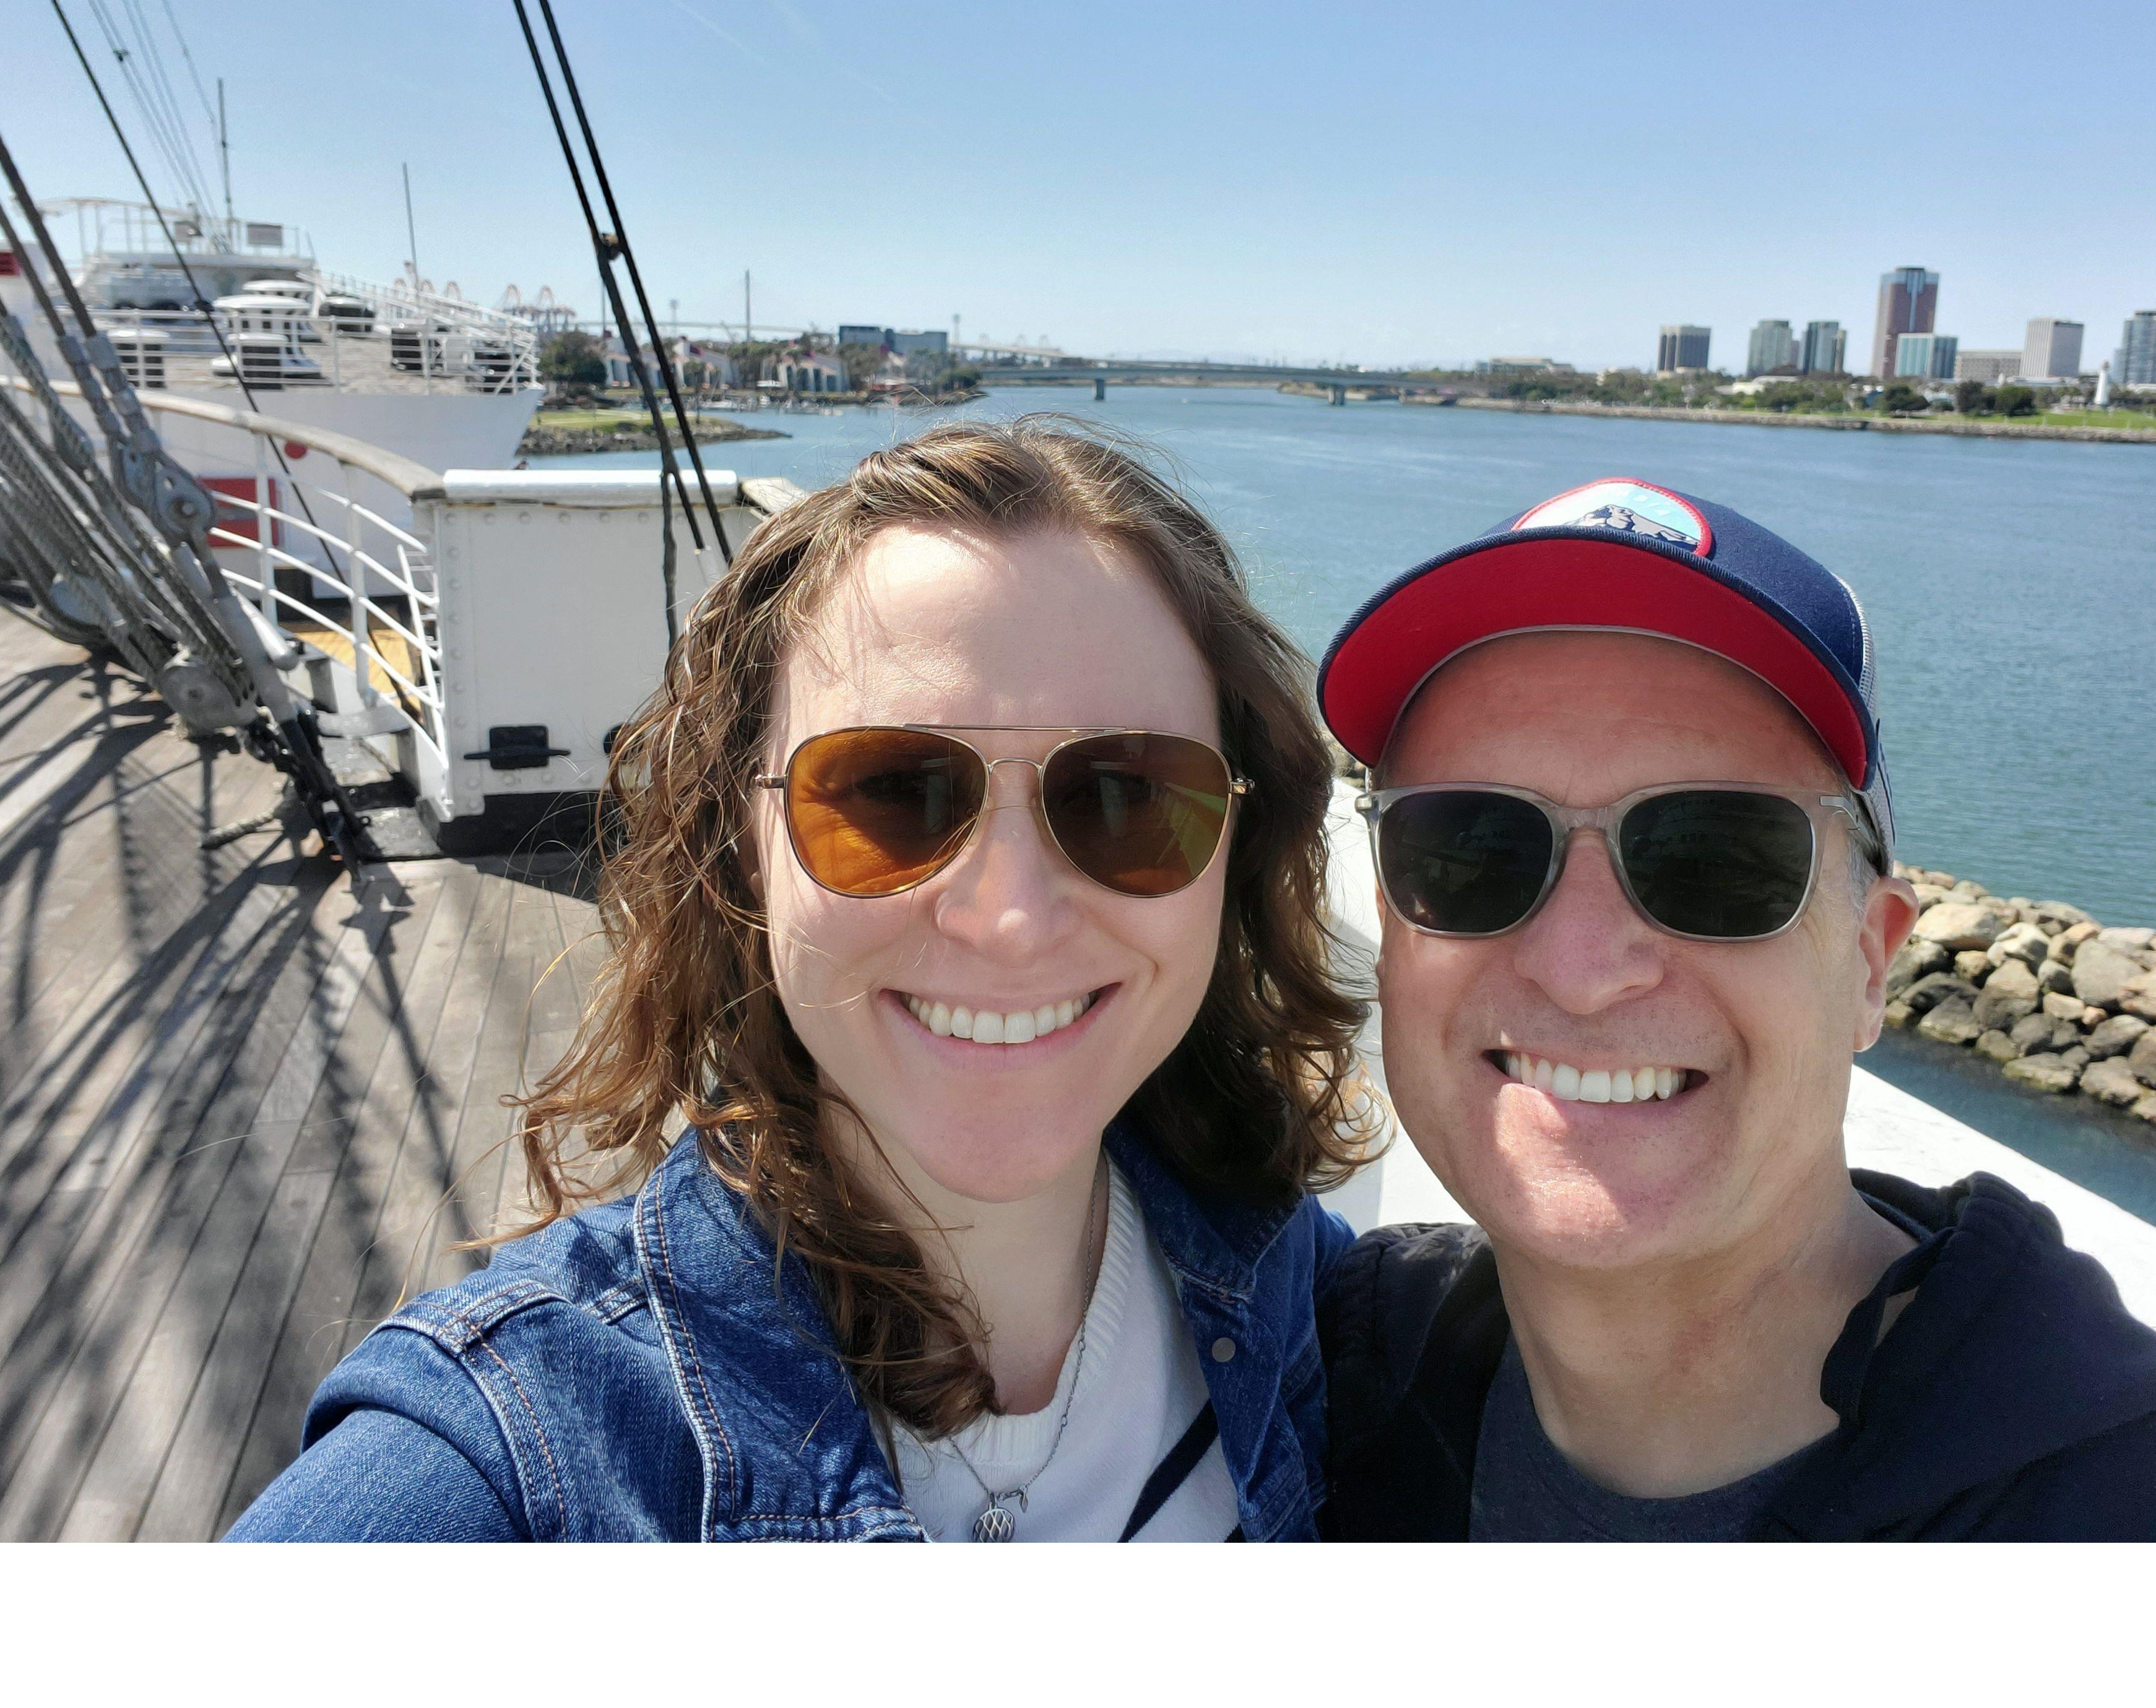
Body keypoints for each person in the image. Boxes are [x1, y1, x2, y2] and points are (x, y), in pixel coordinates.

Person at [231, 419, 1374, 1542]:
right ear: (745, 842)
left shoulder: (1287, 1278)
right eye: (891, 794)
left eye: (1125, 796)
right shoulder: (518, 1449)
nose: (1014, 919)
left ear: (1238, 841)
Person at [1312, 476, 2156, 1541]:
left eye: (1714, 857)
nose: (1580, 966)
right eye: (1469, 848)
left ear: (1868, 962)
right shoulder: (1348, 1358)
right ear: (1390, 927)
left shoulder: (2153, 1507)